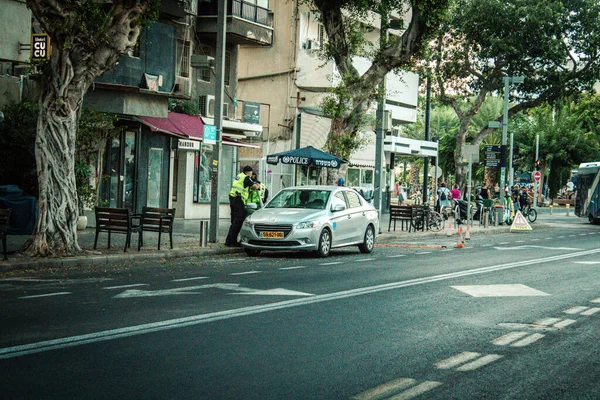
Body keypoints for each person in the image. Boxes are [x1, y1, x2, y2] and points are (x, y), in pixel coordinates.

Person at [225, 166, 259, 247]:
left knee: (234, 221)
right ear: (249, 172)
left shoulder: (239, 176)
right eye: (251, 172)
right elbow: (255, 187)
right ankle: (233, 241)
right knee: (238, 220)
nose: (251, 174)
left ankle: (229, 241)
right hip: (238, 199)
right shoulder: (246, 177)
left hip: (233, 198)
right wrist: (258, 186)